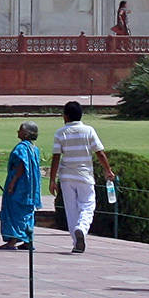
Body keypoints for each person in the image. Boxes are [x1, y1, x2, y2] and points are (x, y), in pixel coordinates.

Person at [50, 102, 105, 253]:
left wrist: (52, 180)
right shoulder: (88, 130)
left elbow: (56, 157)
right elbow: (99, 152)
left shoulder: (60, 133)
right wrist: (108, 170)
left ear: (66, 116)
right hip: (85, 175)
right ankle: (82, 228)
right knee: (87, 205)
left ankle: (76, 242)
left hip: (66, 177)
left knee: (71, 210)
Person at [0, 121, 43, 249]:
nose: (18, 132)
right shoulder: (34, 149)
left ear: (26, 133)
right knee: (27, 212)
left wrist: (13, 183)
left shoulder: (21, 148)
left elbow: (21, 166)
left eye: (20, 130)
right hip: (30, 187)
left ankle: (12, 240)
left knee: (14, 211)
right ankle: (28, 240)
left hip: (19, 185)